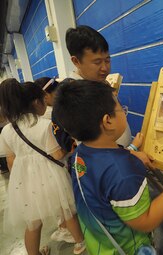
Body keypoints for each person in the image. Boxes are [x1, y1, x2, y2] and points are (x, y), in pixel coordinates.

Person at [53, 80, 163, 255]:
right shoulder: (125, 171)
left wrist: (132, 150)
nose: (124, 112)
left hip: (99, 245)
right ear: (108, 121)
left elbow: (105, 169)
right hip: (128, 249)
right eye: (121, 108)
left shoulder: (80, 154)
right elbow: (146, 221)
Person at [0, 79, 86, 255]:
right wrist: (69, 146)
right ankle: (79, 244)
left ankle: (34, 253)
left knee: (33, 222)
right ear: (35, 102)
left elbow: (10, 161)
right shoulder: (43, 125)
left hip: (24, 180)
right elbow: (57, 155)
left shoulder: (7, 130)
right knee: (66, 210)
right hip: (51, 176)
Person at [59, 25, 141, 149]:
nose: (105, 68)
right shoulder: (75, 97)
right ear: (76, 61)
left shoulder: (98, 82)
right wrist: (132, 151)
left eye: (107, 60)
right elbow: (94, 148)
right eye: (97, 62)